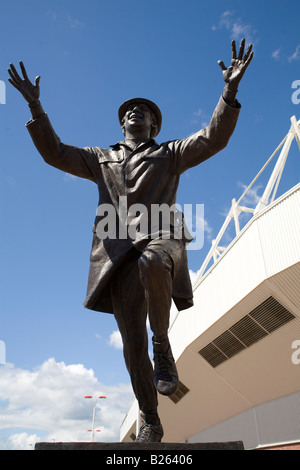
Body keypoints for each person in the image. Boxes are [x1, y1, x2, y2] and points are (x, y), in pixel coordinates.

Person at [8, 39, 253, 442]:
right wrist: (36, 108)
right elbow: (54, 152)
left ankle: (163, 343)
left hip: (162, 235)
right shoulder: (100, 158)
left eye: (143, 112)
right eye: (128, 112)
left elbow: (213, 138)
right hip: (117, 252)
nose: (134, 112)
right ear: (122, 125)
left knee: (153, 262)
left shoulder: (171, 154)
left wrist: (229, 92)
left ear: (155, 127)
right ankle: (151, 420)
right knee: (131, 344)